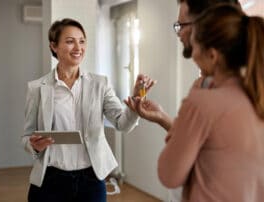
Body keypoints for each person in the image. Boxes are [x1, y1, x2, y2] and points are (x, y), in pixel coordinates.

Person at [131, 3, 264, 201]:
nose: (179, 33)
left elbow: (168, 174)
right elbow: (211, 144)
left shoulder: (202, 98)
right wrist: (163, 118)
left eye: (182, 25)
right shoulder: (254, 89)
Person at [22, 18, 155, 202]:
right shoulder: (37, 88)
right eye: (70, 41)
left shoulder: (100, 84)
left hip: (91, 180)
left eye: (82, 41)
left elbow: (122, 123)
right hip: (51, 180)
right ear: (54, 46)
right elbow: (26, 136)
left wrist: (135, 104)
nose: (78, 47)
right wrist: (34, 146)